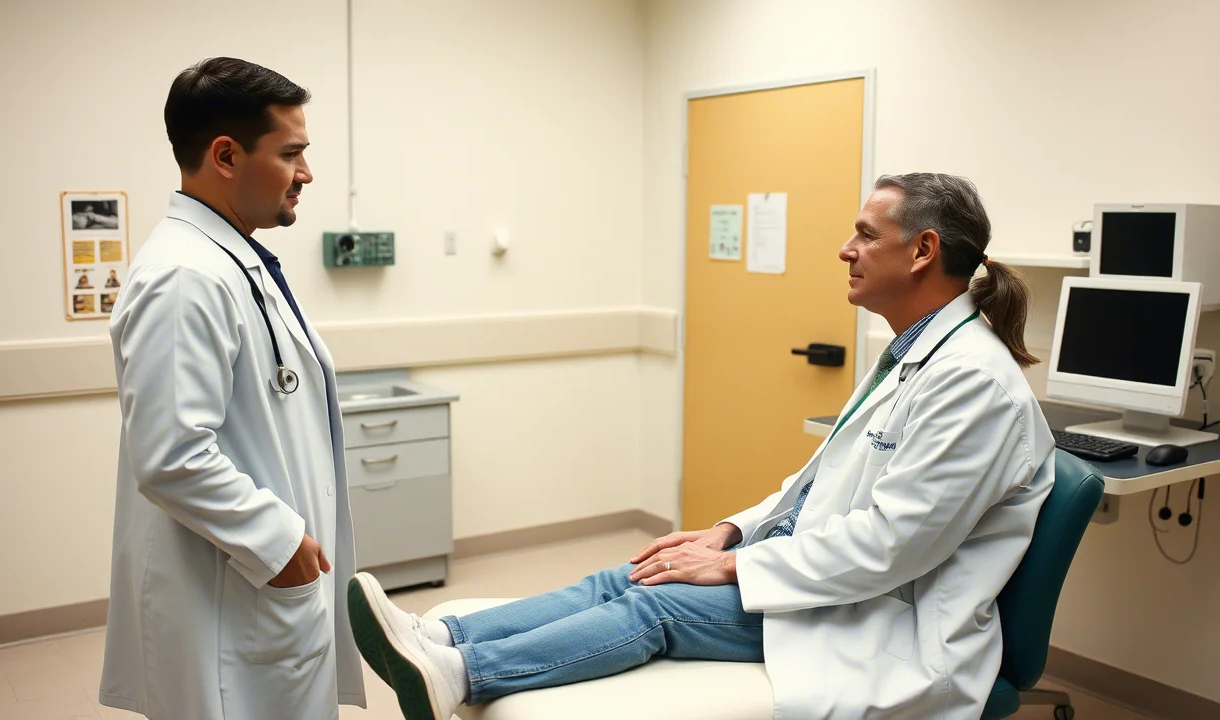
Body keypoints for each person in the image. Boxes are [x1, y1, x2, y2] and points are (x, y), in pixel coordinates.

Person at [354, 173, 1056, 720]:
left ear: (923, 250)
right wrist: (730, 533)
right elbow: (813, 487)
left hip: (879, 616)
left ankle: (461, 675)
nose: (846, 249)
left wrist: (737, 570)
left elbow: (890, 549)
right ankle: (442, 640)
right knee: (634, 572)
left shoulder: (974, 383)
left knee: (654, 607)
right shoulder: (915, 356)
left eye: (865, 235)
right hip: (833, 583)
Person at [99, 57, 365, 719]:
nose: (307, 173)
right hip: (237, 595)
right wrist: (280, 544)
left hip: (259, 594)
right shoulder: (185, 278)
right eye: (292, 153)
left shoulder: (230, 260)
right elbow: (171, 457)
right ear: (225, 155)